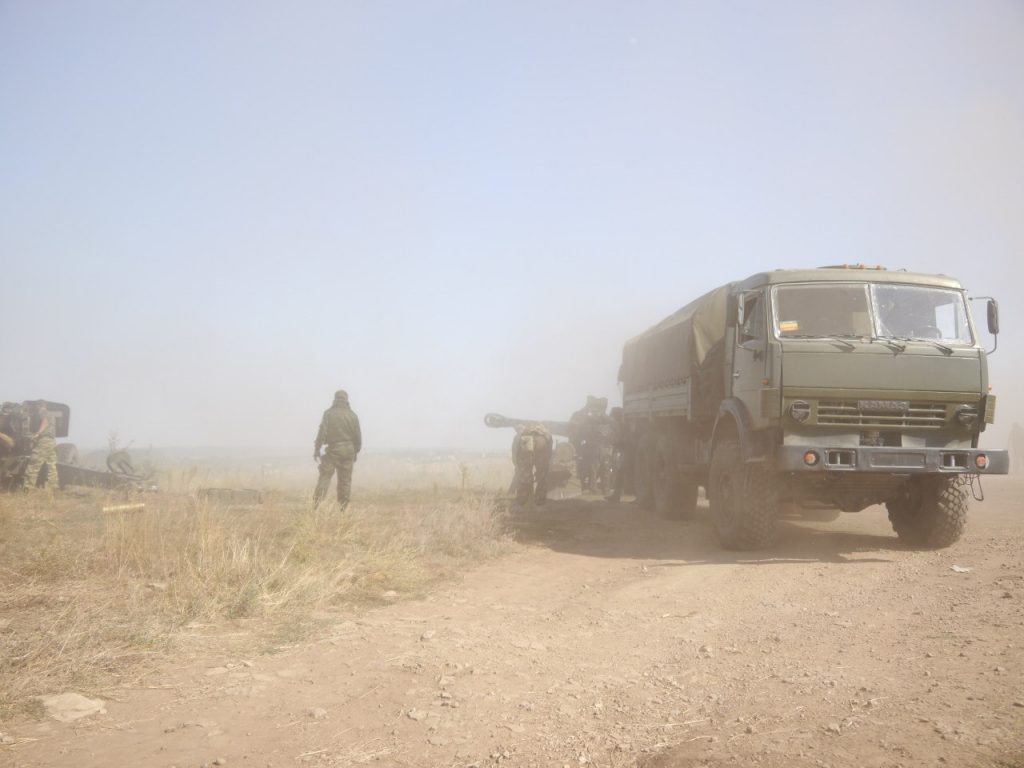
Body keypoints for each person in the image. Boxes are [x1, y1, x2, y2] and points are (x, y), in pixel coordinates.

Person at [313, 389, 362, 509]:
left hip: (333, 450)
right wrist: (355, 451)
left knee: (325, 477)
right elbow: (358, 437)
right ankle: (343, 509)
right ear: (346, 400)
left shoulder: (328, 413)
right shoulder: (353, 415)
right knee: (345, 480)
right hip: (349, 451)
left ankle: (316, 505)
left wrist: (317, 449)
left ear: (335, 399)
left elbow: (322, 433)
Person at [512, 422, 552, 507]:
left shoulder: (522, 433)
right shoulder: (545, 433)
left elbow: (515, 451)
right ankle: (540, 501)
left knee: (525, 473)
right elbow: (549, 452)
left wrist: (517, 464)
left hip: (526, 440)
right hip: (542, 441)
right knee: (542, 474)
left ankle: (522, 500)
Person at [23, 401, 57, 490]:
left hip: (44, 441)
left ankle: (27, 489)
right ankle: (52, 488)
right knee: (51, 466)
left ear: (39, 405)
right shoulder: (51, 414)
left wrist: (37, 434)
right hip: (51, 441)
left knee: (33, 465)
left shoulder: (42, 411)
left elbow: (45, 422)